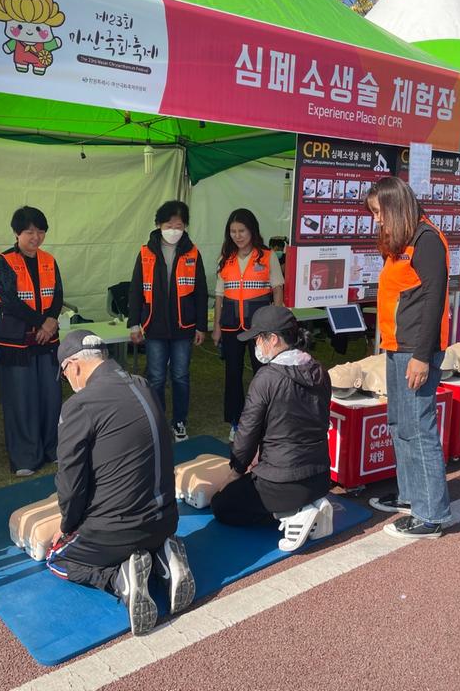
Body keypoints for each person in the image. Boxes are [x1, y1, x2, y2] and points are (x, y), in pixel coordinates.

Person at [46, 330, 195, 636]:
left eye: (64, 374)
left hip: (117, 532)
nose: (68, 383)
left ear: (73, 365)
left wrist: (67, 526)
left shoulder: (81, 405)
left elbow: (71, 483)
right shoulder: (142, 384)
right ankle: (162, 557)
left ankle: (119, 578)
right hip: (166, 519)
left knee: (56, 559)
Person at [366, 177, 451, 539]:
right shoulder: (403, 241)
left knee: (418, 428)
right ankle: (410, 495)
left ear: (395, 206)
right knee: (401, 424)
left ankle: (431, 515)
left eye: (378, 212)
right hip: (397, 344)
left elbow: (434, 300)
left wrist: (421, 355)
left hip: (417, 349)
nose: (376, 220)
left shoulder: (427, 240)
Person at [211, 306, 333, 551]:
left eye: (258, 338)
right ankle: (310, 504)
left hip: (283, 481)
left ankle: (292, 513)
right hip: (321, 476)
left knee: (222, 505)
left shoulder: (267, 378)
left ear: (273, 339)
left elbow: (246, 433)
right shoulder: (319, 370)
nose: (256, 344)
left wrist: (235, 472)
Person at [0, 206, 63, 476]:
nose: (36, 237)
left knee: (51, 396)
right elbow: (9, 300)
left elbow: (57, 295)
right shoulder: (3, 262)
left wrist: (51, 321)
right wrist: (40, 321)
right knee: (21, 399)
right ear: (17, 233)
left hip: (46, 340)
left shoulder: (49, 260)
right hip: (16, 344)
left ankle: (53, 449)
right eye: (30, 231)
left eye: (41, 231)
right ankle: (25, 457)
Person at [128, 200, 208, 442]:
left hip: (184, 326)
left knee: (181, 375)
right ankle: (159, 421)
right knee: (156, 377)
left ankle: (180, 422)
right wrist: (134, 324)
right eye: (169, 224)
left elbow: (201, 292)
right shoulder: (146, 252)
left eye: (179, 225)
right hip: (154, 325)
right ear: (159, 225)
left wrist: (202, 326)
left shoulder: (193, 252)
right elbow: (135, 290)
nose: (174, 229)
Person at [212, 209, 284, 441]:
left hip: (260, 328)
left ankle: (264, 420)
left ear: (252, 230)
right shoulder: (226, 258)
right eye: (233, 231)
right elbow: (220, 296)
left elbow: (277, 289)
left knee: (262, 374)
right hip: (232, 326)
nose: (237, 236)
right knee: (232, 374)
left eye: (242, 230)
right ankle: (236, 421)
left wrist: (276, 323)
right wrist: (216, 327)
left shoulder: (267, 255)